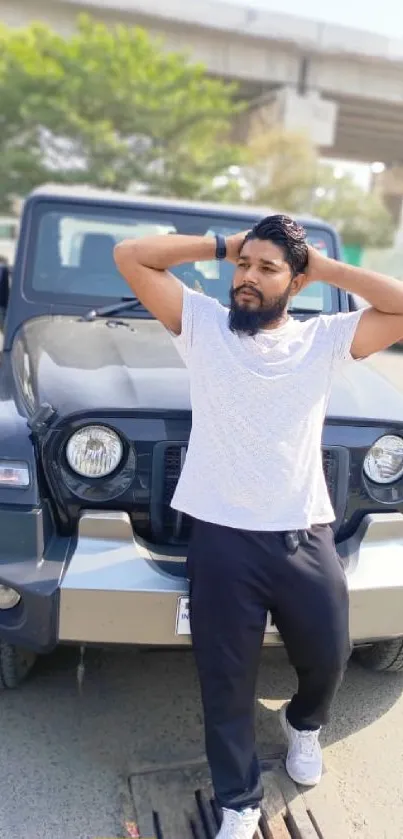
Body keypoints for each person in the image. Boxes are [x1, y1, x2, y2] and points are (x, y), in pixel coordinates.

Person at [114, 215, 403, 839]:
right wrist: (226, 244)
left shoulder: (324, 339)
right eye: (244, 267)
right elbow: (132, 257)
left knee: (329, 652)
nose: (247, 279)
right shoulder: (203, 326)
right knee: (226, 679)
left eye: (266, 270)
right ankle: (240, 801)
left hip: (302, 530)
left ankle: (304, 724)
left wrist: (323, 267)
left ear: (294, 284)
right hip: (220, 537)